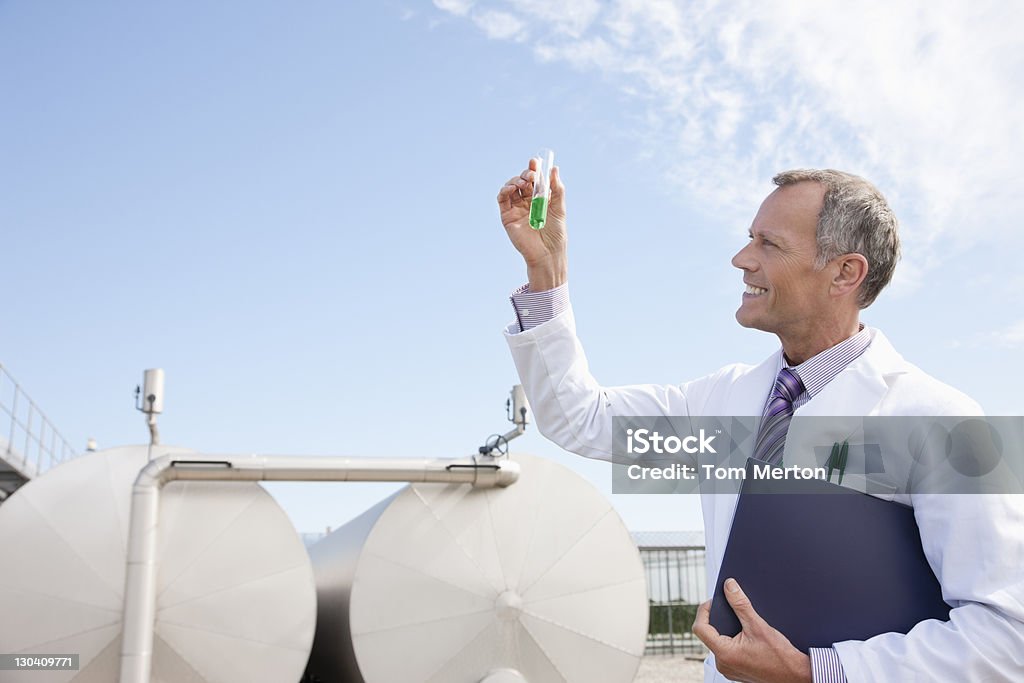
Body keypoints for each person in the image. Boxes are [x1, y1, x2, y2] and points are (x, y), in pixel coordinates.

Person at [496, 159, 1024, 682]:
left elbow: (1006, 638)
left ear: (845, 272)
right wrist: (548, 270)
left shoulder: (944, 423)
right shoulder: (722, 400)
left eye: (768, 244)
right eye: (750, 238)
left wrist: (816, 672)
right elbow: (579, 417)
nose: (741, 258)